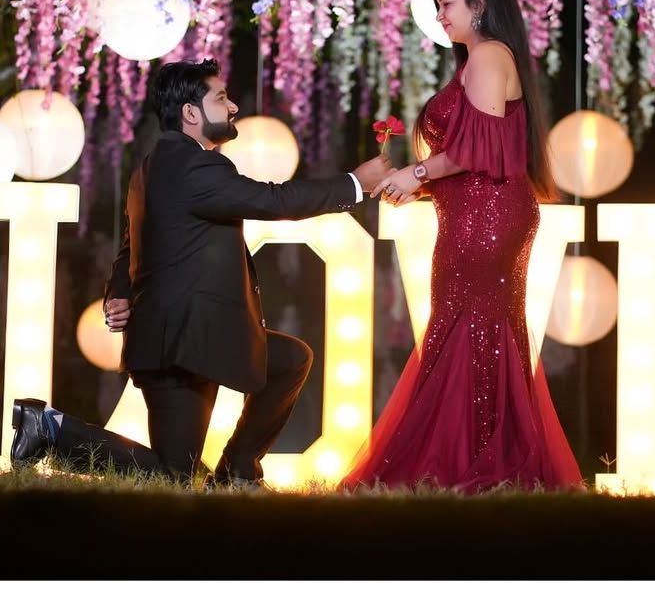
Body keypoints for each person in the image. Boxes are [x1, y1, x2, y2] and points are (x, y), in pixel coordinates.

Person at [10, 58, 392, 488]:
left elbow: (133, 245)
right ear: (191, 112)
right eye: (222, 98)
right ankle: (51, 430)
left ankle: (236, 473)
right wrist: (354, 183)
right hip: (182, 344)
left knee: (289, 360)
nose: (233, 108)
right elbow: (274, 200)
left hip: (197, 335)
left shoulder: (152, 166)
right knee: (174, 477)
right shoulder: (194, 165)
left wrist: (119, 291)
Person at [339, 0, 583, 493]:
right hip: (475, 213)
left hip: (488, 219)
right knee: (472, 330)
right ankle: (473, 455)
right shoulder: (481, 58)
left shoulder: (490, 55)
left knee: (472, 330)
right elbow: (478, 156)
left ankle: (472, 460)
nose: (440, 16)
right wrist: (420, 185)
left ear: (479, 4)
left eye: (446, 4)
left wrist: (416, 172)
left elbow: (480, 150)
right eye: (437, 6)